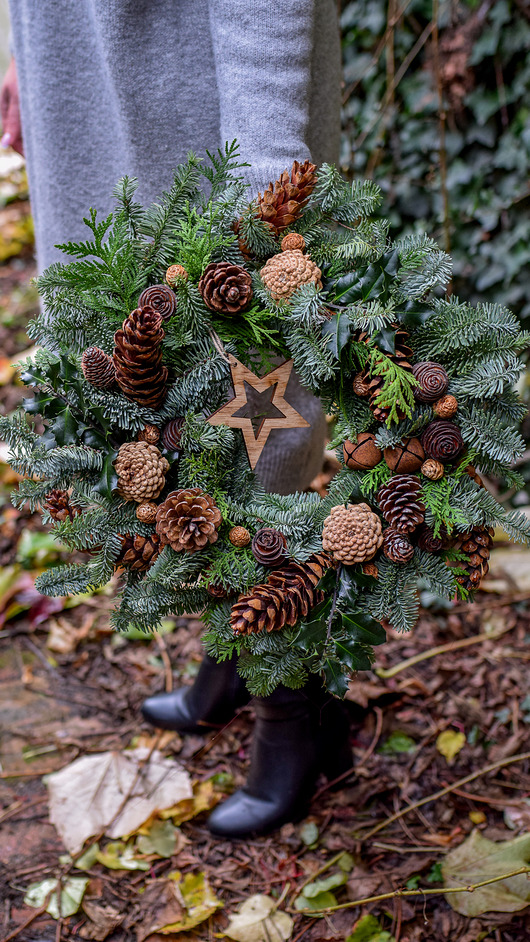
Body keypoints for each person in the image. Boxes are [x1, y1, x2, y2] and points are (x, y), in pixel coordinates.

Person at [2, 0, 350, 837]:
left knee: (258, 434)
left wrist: (269, 170)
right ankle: (232, 649)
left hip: (211, 113)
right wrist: (24, 57)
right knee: (147, 415)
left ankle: (295, 715)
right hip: (85, 94)